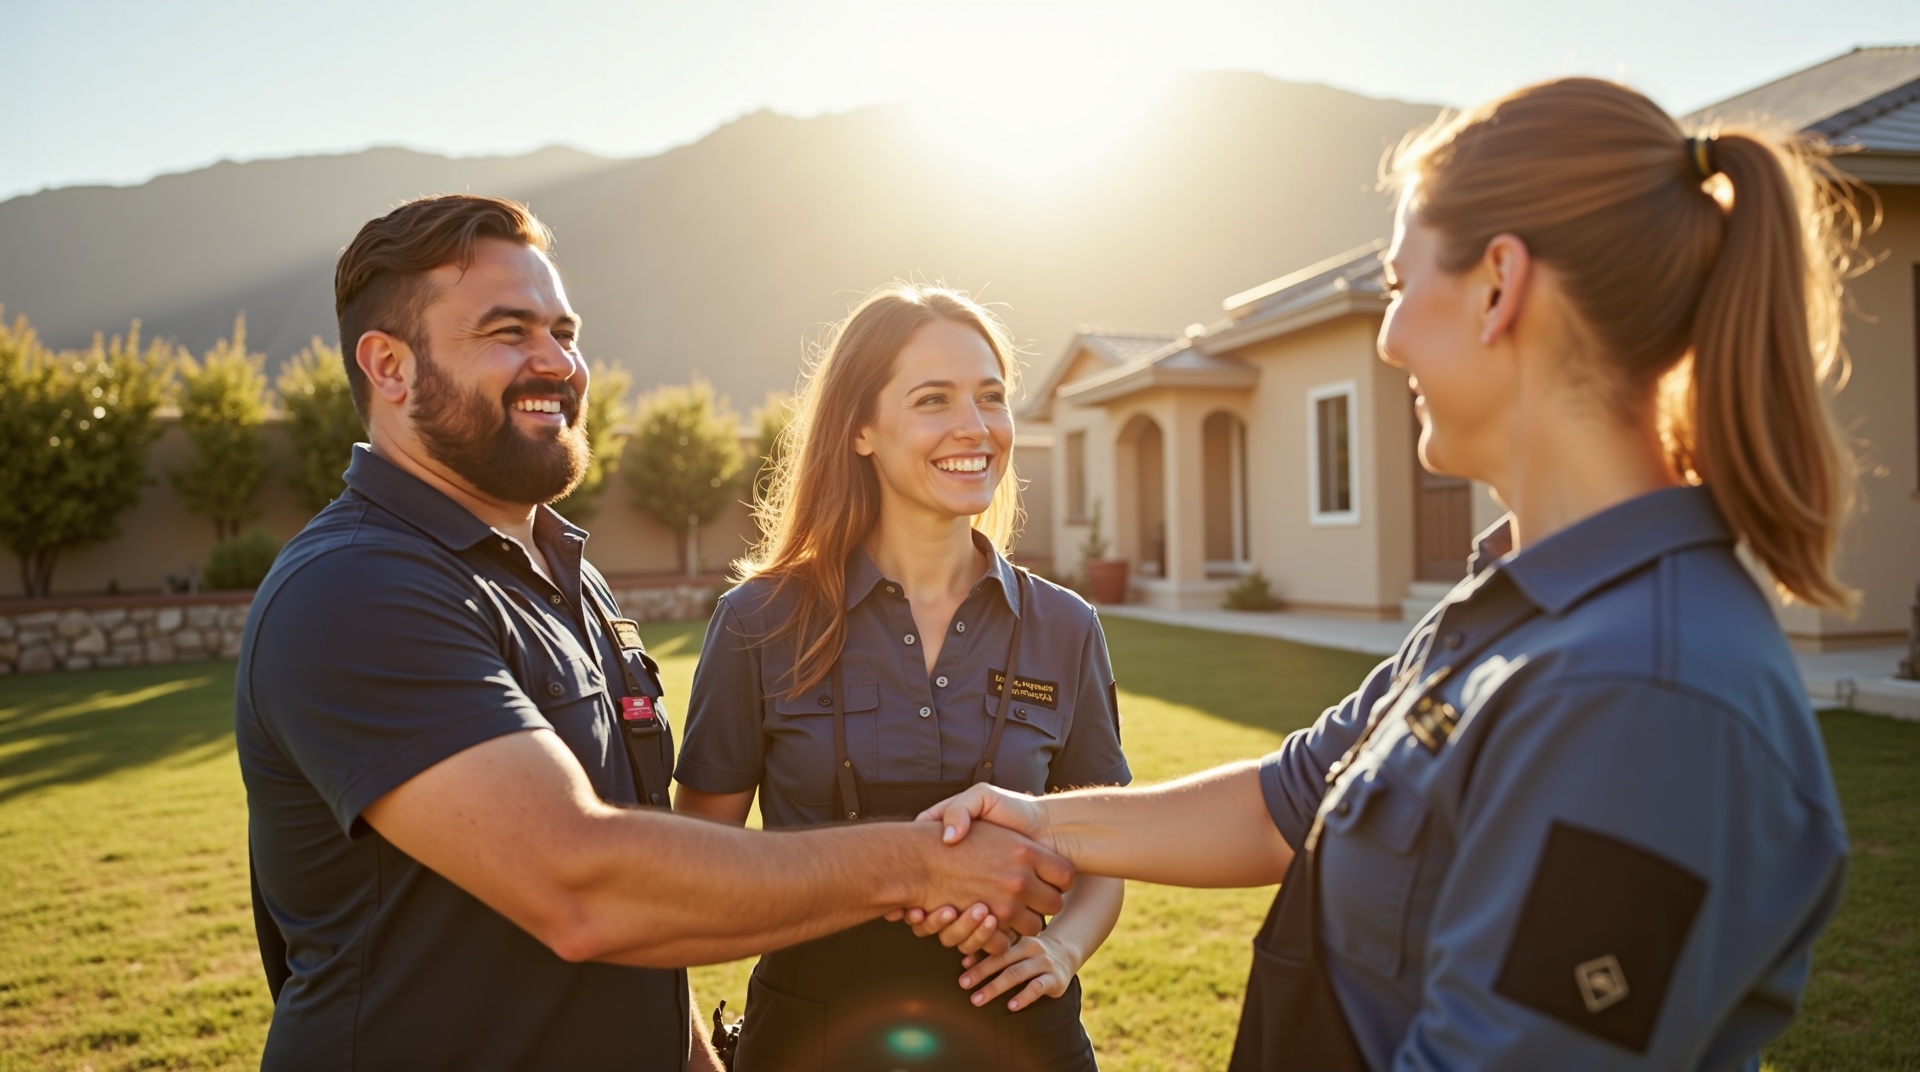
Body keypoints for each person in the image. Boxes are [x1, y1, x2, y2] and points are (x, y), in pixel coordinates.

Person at [919, 77, 1857, 1071]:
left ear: (1501, 285)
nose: (1388, 332)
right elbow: (1286, 801)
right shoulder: (1512, 611)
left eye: (1403, 286)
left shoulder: (1645, 695)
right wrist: (1034, 817)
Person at [235, 195, 1076, 1072]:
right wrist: (921, 865)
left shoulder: (570, 585)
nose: (555, 362)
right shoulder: (359, 587)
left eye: (564, 331)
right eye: (507, 332)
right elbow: (583, 885)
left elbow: (649, 883)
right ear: (390, 367)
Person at [673, 284, 1130, 1071]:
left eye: (992, 398)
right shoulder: (758, 622)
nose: (975, 427)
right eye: (933, 400)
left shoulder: (1067, 627)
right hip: (810, 1042)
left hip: (1025, 1041)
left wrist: (1061, 950)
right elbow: (691, 870)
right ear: (860, 429)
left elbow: (1106, 850)